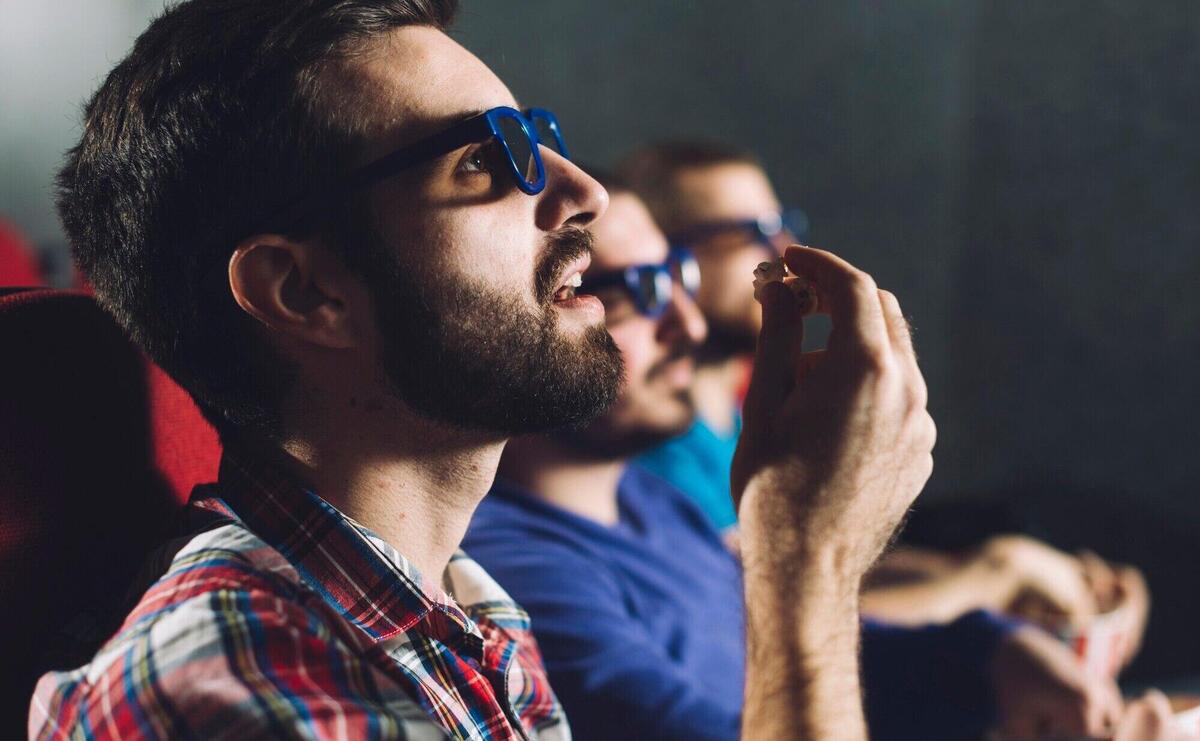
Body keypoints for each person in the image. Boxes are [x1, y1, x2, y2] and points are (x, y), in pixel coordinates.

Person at [29, 2, 937, 739]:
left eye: (533, 137)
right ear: (306, 290)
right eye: (481, 160)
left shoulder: (469, 608)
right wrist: (807, 558)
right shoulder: (239, 681)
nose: (585, 192)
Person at [463, 176, 1178, 740]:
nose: (687, 322)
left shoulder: (647, 500)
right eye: (636, 293)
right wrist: (812, 544)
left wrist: (989, 657)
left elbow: (807, 653)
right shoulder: (514, 571)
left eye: (678, 276)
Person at [618, 141, 1151, 648]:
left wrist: (1004, 571)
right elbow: (749, 625)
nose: (783, 251)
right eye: (746, 233)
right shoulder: (642, 448)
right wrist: (987, 579)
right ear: (668, 261)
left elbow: (795, 560)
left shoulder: (743, 401)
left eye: (781, 225)